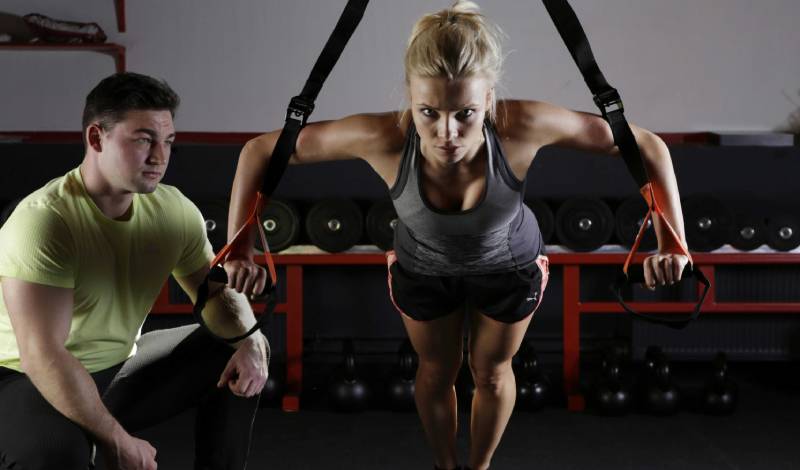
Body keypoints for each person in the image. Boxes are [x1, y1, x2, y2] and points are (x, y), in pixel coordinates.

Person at [225, 2, 689, 469]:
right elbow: (260, 151)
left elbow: (645, 146)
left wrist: (674, 243)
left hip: (509, 266)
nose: (446, 132)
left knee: (492, 373)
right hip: (424, 268)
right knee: (435, 371)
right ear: (410, 96)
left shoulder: (521, 126)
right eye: (428, 112)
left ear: (489, 98)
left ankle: (480, 467)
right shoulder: (384, 137)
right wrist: (239, 248)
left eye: (465, 113)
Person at [0, 72, 269, 470]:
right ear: (96, 138)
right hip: (24, 376)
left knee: (235, 346)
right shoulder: (45, 221)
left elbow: (213, 294)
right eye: (143, 140)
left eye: (168, 141)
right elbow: (43, 354)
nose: (160, 156)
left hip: (117, 366)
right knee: (54, 455)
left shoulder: (173, 210)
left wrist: (250, 340)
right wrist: (118, 440)